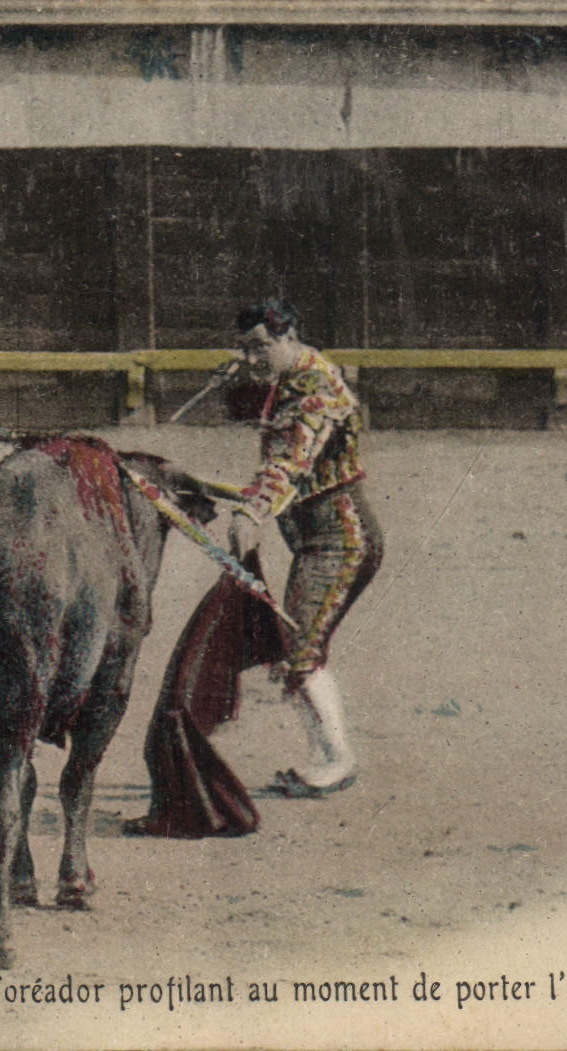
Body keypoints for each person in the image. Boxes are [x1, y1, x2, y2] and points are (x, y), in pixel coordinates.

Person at [227, 299, 382, 798]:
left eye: (260, 348)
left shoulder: (314, 384)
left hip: (341, 539)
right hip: (316, 539)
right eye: (245, 350)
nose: (252, 360)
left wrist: (252, 510)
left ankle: (337, 760)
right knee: (294, 646)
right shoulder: (292, 379)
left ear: (287, 335)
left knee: (300, 648)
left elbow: (292, 463)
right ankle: (327, 756)